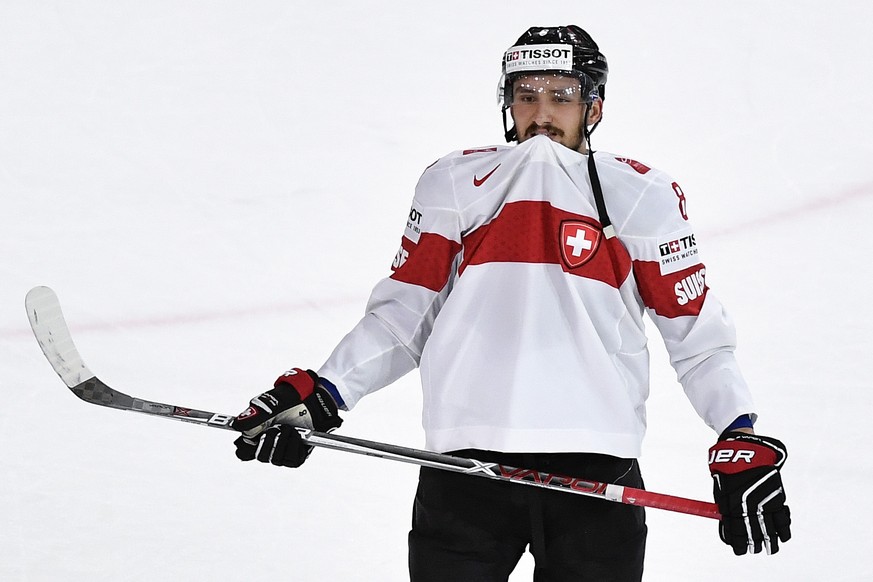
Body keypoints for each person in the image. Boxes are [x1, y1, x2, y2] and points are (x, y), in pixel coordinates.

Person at [231, 25, 791, 580]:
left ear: (592, 106)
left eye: (561, 96)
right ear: (508, 102)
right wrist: (325, 392)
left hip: (597, 477)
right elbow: (403, 319)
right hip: (463, 473)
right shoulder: (452, 183)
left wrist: (736, 430)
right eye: (527, 95)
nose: (541, 114)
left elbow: (696, 338)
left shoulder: (642, 196)